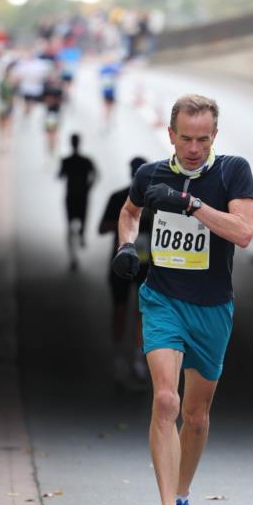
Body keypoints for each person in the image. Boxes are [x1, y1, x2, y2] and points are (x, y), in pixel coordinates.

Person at [113, 94, 253, 505]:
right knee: (165, 400)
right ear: (170, 134)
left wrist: (189, 203)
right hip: (163, 300)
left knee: (195, 416)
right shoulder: (151, 173)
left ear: (214, 136)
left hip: (213, 307)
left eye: (203, 138)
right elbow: (130, 212)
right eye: (185, 138)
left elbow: (244, 232)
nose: (193, 147)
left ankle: (182, 496)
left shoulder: (233, 170)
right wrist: (126, 246)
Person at [99, 157, 152, 386]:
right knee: (120, 310)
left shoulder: (156, 201)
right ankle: (120, 358)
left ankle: (138, 360)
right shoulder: (119, 197)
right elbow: (102, 227)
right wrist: (125, 223)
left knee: (142, 313)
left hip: (146, 263)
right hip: (121, 262)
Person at [57, 134, 97, 268]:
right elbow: (96, 174)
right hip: (83, 195)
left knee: (69, 224)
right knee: (83, 218)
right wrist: (89, 187)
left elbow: (60, 175)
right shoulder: (86, 160)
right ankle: (82, 235)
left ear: (70, 143)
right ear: (79, 143)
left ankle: (72, 258)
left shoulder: (66, 161)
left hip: (70, 195)